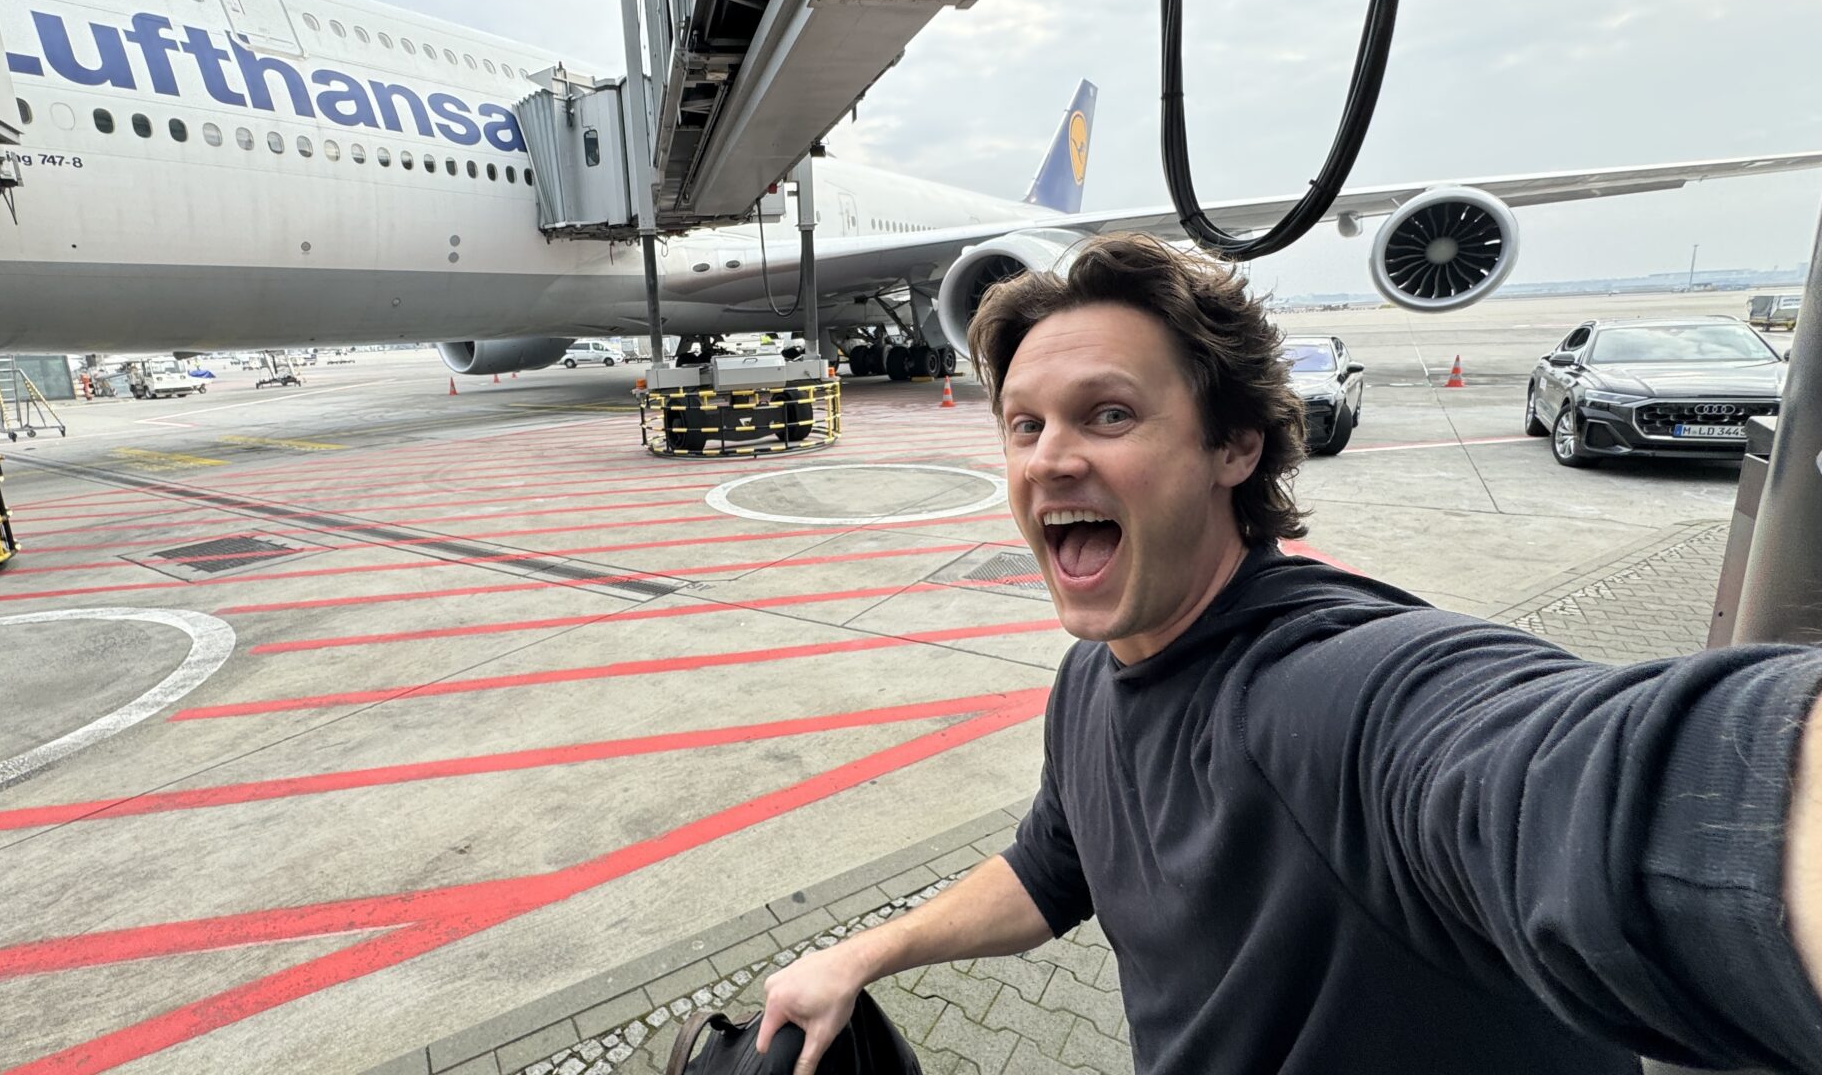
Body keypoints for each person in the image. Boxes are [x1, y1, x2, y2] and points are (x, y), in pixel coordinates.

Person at [755, 233, 1822, 1075]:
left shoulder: (1322, 686)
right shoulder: (1097, 670)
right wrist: (861, 953)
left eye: (1108, 415)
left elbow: (1581, 780)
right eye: (1023, 426)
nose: (1051, 458)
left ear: (1233, 446)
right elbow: (1052, 866)